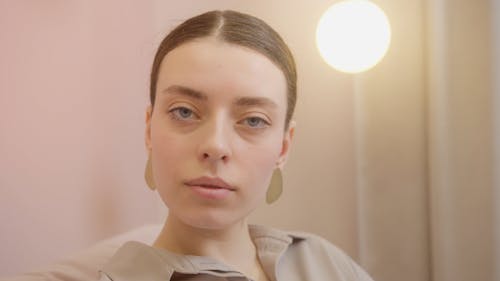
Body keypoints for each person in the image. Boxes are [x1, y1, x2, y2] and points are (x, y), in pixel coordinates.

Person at [99, 10, 374, 281]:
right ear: (149, 129)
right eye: (184, 112)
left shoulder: (324, 263)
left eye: (253, 120)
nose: (215, 146)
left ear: (283, 147)